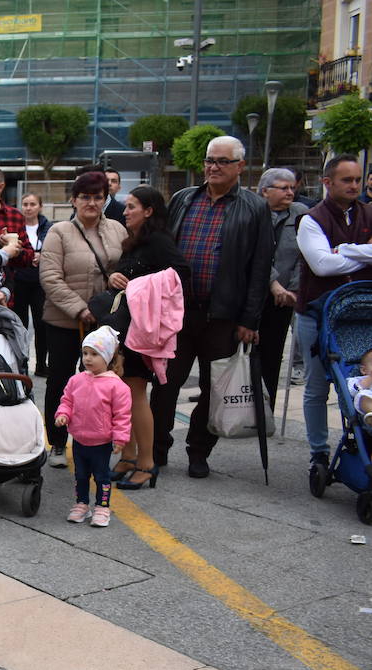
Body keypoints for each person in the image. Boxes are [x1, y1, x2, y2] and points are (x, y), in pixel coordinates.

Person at [150, 135, 274, 478]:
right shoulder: (182, 199)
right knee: (164, 385)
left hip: (222, 316)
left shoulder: (254, 208)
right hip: (178, 314)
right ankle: (157, 450)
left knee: (212, 388)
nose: (213, 167)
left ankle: (198, 452)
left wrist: (250, 318)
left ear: (240, 166)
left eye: (222, 161)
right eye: (209, 160)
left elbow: (260, 267)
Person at [39, 170, 128, 468]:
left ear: (106, 199)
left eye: (98, 197)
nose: (92, 202)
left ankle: (94, 441)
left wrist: (119, 279)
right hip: (65, 321)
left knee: (101, 384)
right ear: (74, 200)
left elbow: (129, 267)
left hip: (104, 324)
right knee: (62, 381)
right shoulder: (59, 231)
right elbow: (50, 277)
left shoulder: (117, 229)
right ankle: (57, 442)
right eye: (85, 197)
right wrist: (79, 308)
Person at [106, 185, 188, 490]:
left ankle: (146, 463)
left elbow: (180, 273)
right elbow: (126, 279)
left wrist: (137, 286)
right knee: (123, 394)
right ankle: (128, 456)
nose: (125, 212)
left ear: (149, 211)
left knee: (136, 394)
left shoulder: (158, 241)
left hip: (140, 330)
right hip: (125, 327)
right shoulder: (136, 241)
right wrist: (114, 278)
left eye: (131, 207)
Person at [295, 154, 372, 479]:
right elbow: (322, 265)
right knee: (316, 386)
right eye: (347, 180)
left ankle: (362, 441)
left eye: (357, 179)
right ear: (328, 183)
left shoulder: (369, 211)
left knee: (364, 377)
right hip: (316, 311)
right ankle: (319, 453)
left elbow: (332, 258)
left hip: (363, 311)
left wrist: (343, 250)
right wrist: (363, 251)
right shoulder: (312, 219)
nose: (354, 185)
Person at [54, 325, 130, 527]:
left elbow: (122, 415)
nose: (88, 358)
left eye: (94, 354)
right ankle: (82, 504)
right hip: (79, 439)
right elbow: (67, 401)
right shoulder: (76, 380)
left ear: (107, 357)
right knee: (80, 475)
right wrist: (63, 414)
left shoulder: (117, 386)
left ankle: (102, 507)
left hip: (101, 441)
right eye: (85, 353)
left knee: (102, 476)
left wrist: (120, 438)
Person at [256, 168, 307, 401]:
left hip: (284, 297)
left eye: (292, 188)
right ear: (265, 191)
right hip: (254, 293)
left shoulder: (301, 214)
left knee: (273, 354)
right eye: (283, 188)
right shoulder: (253, 212)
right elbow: (254, 254)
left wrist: (292, 289)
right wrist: (272, 282)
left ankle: (267, 408)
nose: (290, 192)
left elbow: (302, 255)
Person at [18, 192, 52, 374]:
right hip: (20, 278)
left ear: (39, 206)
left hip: (40, 280)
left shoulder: (48, 227)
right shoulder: (16, 225)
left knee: (41, 323)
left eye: (32, 204)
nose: (29, 208)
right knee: (20, 323)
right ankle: (22, 363)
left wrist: (42, 255)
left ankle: (41, 364)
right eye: (25, 204)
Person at [348, 349, 372, 427]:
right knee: (361, 396)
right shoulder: (359, 380)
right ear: (364, 370)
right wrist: (364, 383)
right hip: (370, 397)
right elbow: (351, 391)